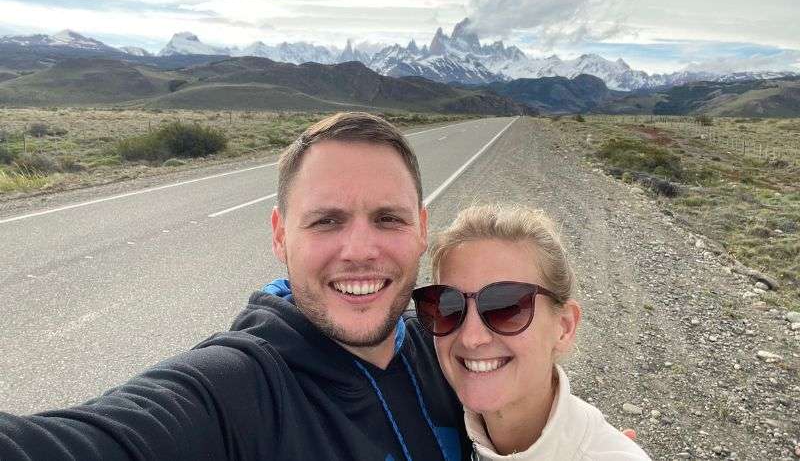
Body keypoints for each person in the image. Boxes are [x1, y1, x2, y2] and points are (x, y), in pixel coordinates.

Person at [0, 112, 469, 460]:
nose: (361, 250)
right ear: (281, 235)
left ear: (422, 229)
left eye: (389, 218)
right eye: (326, 221)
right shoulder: (234, 392)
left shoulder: (450, 352)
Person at [412, 204, 651, 460]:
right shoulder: (438, 428)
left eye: (505, 306)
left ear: (564, 327)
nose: (471, 338)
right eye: (447, 305)